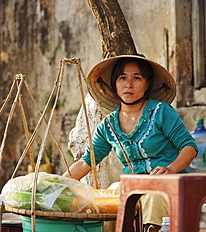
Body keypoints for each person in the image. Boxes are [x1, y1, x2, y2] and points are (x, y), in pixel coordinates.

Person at [63, 55, 197, 232]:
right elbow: (86, 161)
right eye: (122, 78)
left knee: (153, 198)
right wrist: (58, 183)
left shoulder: (161, 112)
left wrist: (171, 169)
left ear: (147, 84)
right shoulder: (108, 125)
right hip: (132, 187)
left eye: (137, 78)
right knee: (111, 197)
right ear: (114, 83)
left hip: (167, 184)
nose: (129, 84)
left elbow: (189, 147)